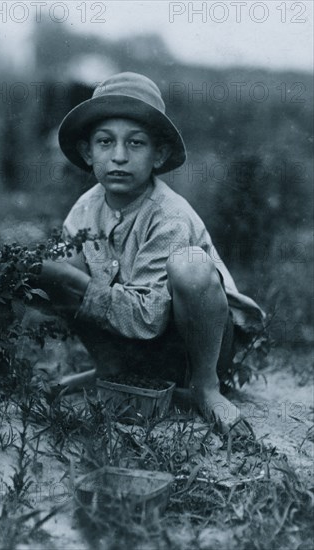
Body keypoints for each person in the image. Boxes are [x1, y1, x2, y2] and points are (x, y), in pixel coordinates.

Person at [34, 72, 265, 435]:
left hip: (192, 348)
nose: (119, 157)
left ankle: (206, 390)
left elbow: (148, 319)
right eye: (105, 142)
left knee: (190, 268)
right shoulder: (84, 209)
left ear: (159, 155)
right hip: (130, 347)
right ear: (86, 152)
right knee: (56, 260)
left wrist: (69, 278)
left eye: (136, 143)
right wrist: (53, 273)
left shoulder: (168, 215)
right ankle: (108, 369)